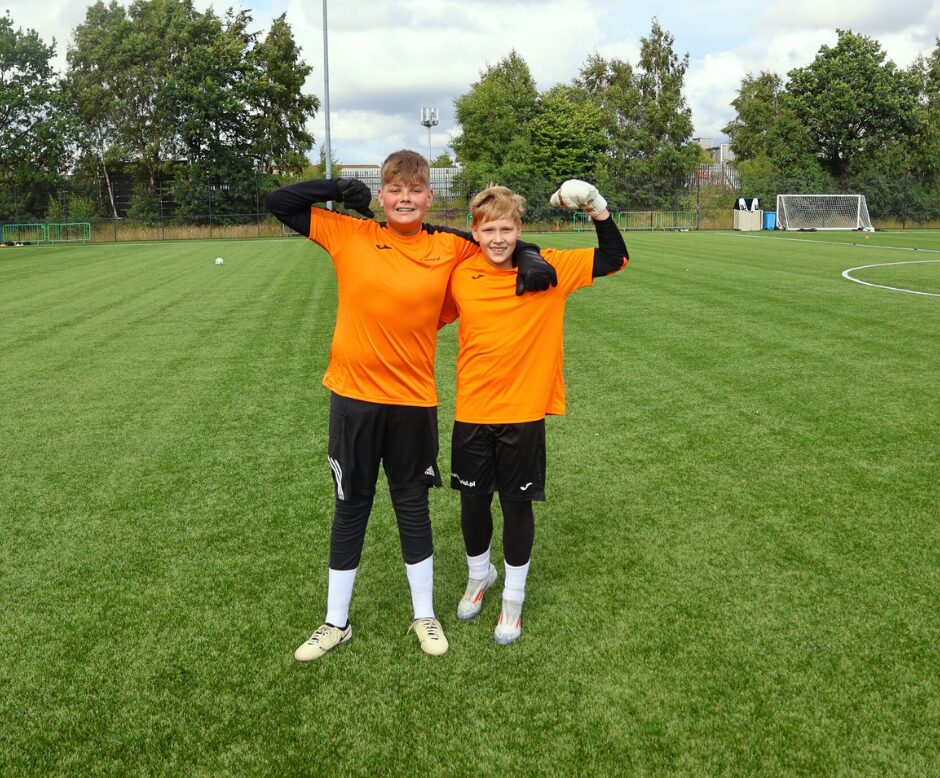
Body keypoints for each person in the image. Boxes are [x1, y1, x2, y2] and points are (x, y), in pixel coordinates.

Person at [264, 150, 556, 661]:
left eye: (415, 190)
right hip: (353, 398)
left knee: (411, 504)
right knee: (351, 504)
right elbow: (278, 202)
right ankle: (335, 622)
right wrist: (333, 187)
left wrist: (530, 255)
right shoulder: (349, 233)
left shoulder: (448, 245)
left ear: (428, 197)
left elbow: (497, 238)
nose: (405, 198)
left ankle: (424, 615)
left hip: (413, 400)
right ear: (381, 195)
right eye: (395, 190)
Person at [440, 180, 627, 644]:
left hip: (523, 414)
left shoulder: (549, 269)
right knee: (472, 502)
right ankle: (479, 577)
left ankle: (513, 600)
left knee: (516, 504)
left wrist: (598, 208)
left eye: (507, 230)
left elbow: (614, 258)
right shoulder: (460, 274)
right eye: (488, 230)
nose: (498, 239)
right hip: (472, 410)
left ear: (519, 229)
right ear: (475, 232)